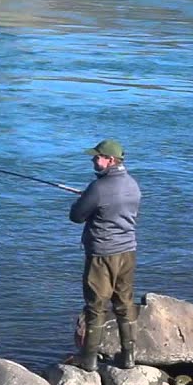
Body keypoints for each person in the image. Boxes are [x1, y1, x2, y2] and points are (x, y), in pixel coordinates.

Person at [68, 139, 141, 371]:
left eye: (97, 156)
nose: (93, 159)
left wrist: (83, 199)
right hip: (127, 251)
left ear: (110, 160)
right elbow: (116, 208)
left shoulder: (98, 188)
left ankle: (89, 360)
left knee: (96, 305)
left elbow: (76, 216)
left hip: (102, 254)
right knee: (124, 302)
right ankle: (128, 356)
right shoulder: (133, 184)